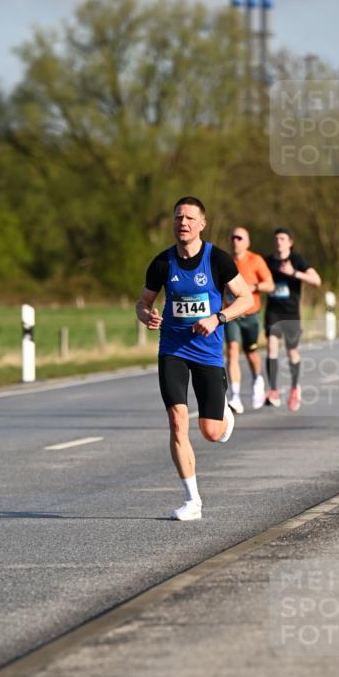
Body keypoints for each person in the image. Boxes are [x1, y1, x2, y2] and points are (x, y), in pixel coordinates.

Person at [136, 197, 254, 521]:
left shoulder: (218, 260)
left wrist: (218, 318)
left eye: (189, 218)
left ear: (202, 224)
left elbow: (246, 299)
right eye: (178, 217)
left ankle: (225, 411)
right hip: (172, 349)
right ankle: (192, 501)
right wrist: (146, 314)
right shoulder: (162, 263)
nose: (183, 222)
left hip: (208, 351)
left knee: (211, 432)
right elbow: (142, 301)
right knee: (177, 420)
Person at [263, 228, 322, 411]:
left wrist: (293, 272)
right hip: (273, 311)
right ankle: (273, 390)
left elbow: (316, 280)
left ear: (290, 242)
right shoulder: (267, 261)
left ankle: (295, 388)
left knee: (291, 352)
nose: (279, 241)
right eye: (276, 238)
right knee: (271, 346)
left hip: (291, 313)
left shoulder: (297, 260)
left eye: (282, 238)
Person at [224, 227, 275, 413]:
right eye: (233, 237)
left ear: (247, 242)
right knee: (232, 351)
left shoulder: (256, 260)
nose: (236, 241)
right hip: (231, 314)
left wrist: (253, 286)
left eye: (240, 238)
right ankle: (235, 396)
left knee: (251, 353)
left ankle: (257, 378)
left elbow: (270, 285)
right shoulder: (225, 260)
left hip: (251, 315)